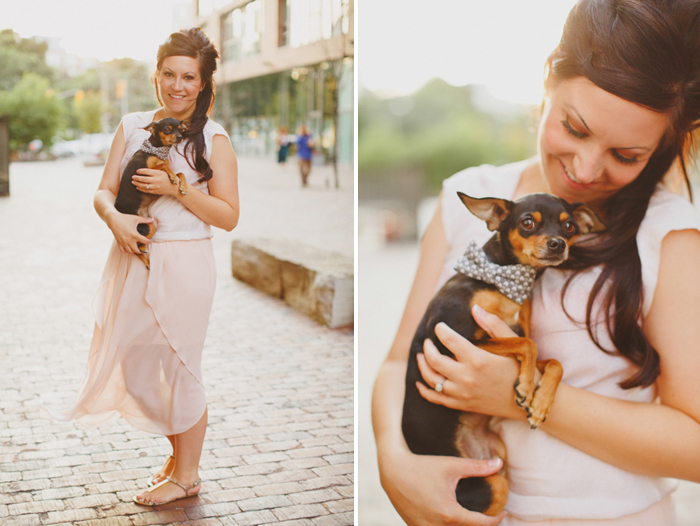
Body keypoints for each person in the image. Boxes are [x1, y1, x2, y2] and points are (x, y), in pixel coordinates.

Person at [372, 0, 700, 524]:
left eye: (627, 155)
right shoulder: (469, 196)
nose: (586, 170)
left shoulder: (668, 234)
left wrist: (518, 396)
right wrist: (392, 464)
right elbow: (396, 363)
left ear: (663, 145)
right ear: (548, 79)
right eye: (574, 127)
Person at [41, 28, 239, 506]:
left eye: (188, 77)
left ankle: (187, 474)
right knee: (134, 367)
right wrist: (116, 221)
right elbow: (103, 190)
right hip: (132, 254)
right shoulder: (132, 126)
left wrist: (177, 190)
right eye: (169, 74)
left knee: (180, 367)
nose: (177, 85)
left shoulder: (213, 138)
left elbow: (229, 216)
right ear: (155, 75)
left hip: (186, 261)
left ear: (204, 82)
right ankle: (178, 456)